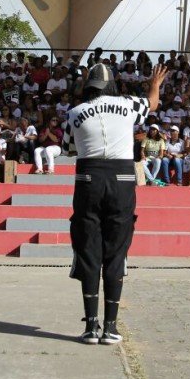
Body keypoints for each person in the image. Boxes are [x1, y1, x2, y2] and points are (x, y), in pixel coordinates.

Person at [67, 62, 165, 346]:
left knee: (88, 249)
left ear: (89, 85)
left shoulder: (74, 113)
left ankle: (90, 327)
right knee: (116, 249)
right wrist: (154, 84)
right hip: (122, 179)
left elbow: (69, 148)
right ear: (112, 84)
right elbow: (153, 104)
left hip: (88, 179)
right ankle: (110, 327)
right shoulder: (129, 104)